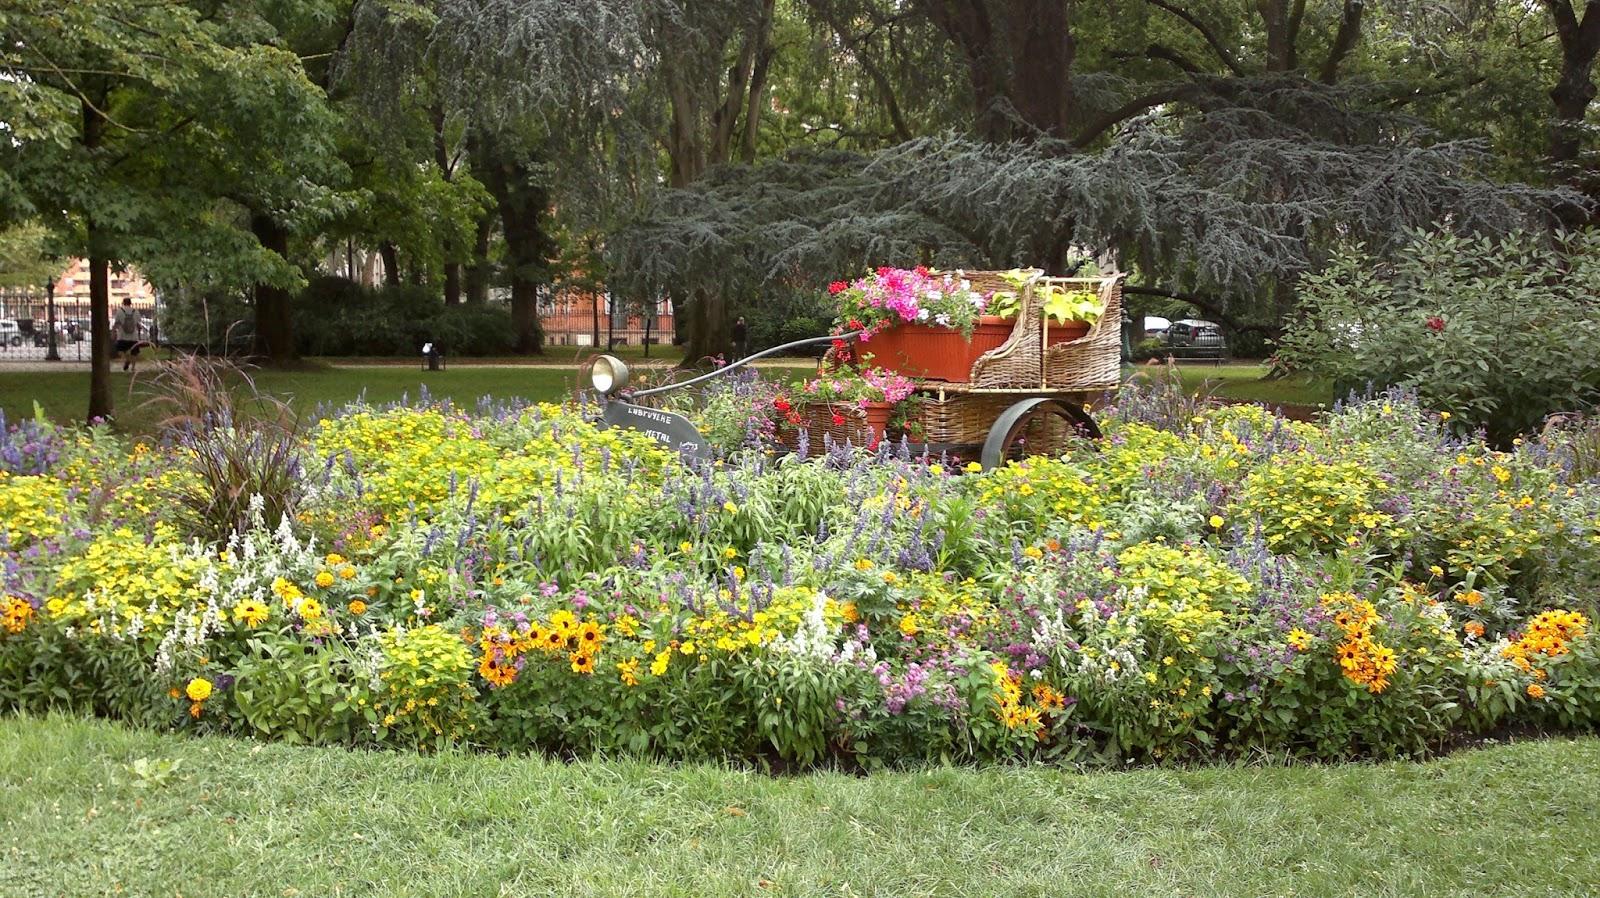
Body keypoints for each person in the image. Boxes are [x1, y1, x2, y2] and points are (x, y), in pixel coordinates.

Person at [112, 298, 144, 371]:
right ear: (130, 303)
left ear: (123, 303)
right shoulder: (135, 311)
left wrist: (113, 332)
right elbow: (138, 324)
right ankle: (133, 367)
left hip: (122, 336)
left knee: (120, 350)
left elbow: (117, 323)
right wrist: (139, 333)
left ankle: (127, 359)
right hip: (133, 336)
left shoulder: (119, 311)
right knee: (134, 353)